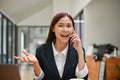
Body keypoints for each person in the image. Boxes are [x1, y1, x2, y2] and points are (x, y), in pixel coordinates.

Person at [14, 12, 88, 80]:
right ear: (53, 28)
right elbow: (40, 78)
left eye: (69, 26)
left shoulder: (79, 50)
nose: (65, 30)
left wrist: (80, 51)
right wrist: (36, 63)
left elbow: (82, 77)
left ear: (73, 29)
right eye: (60, 25)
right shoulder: (41, 50)